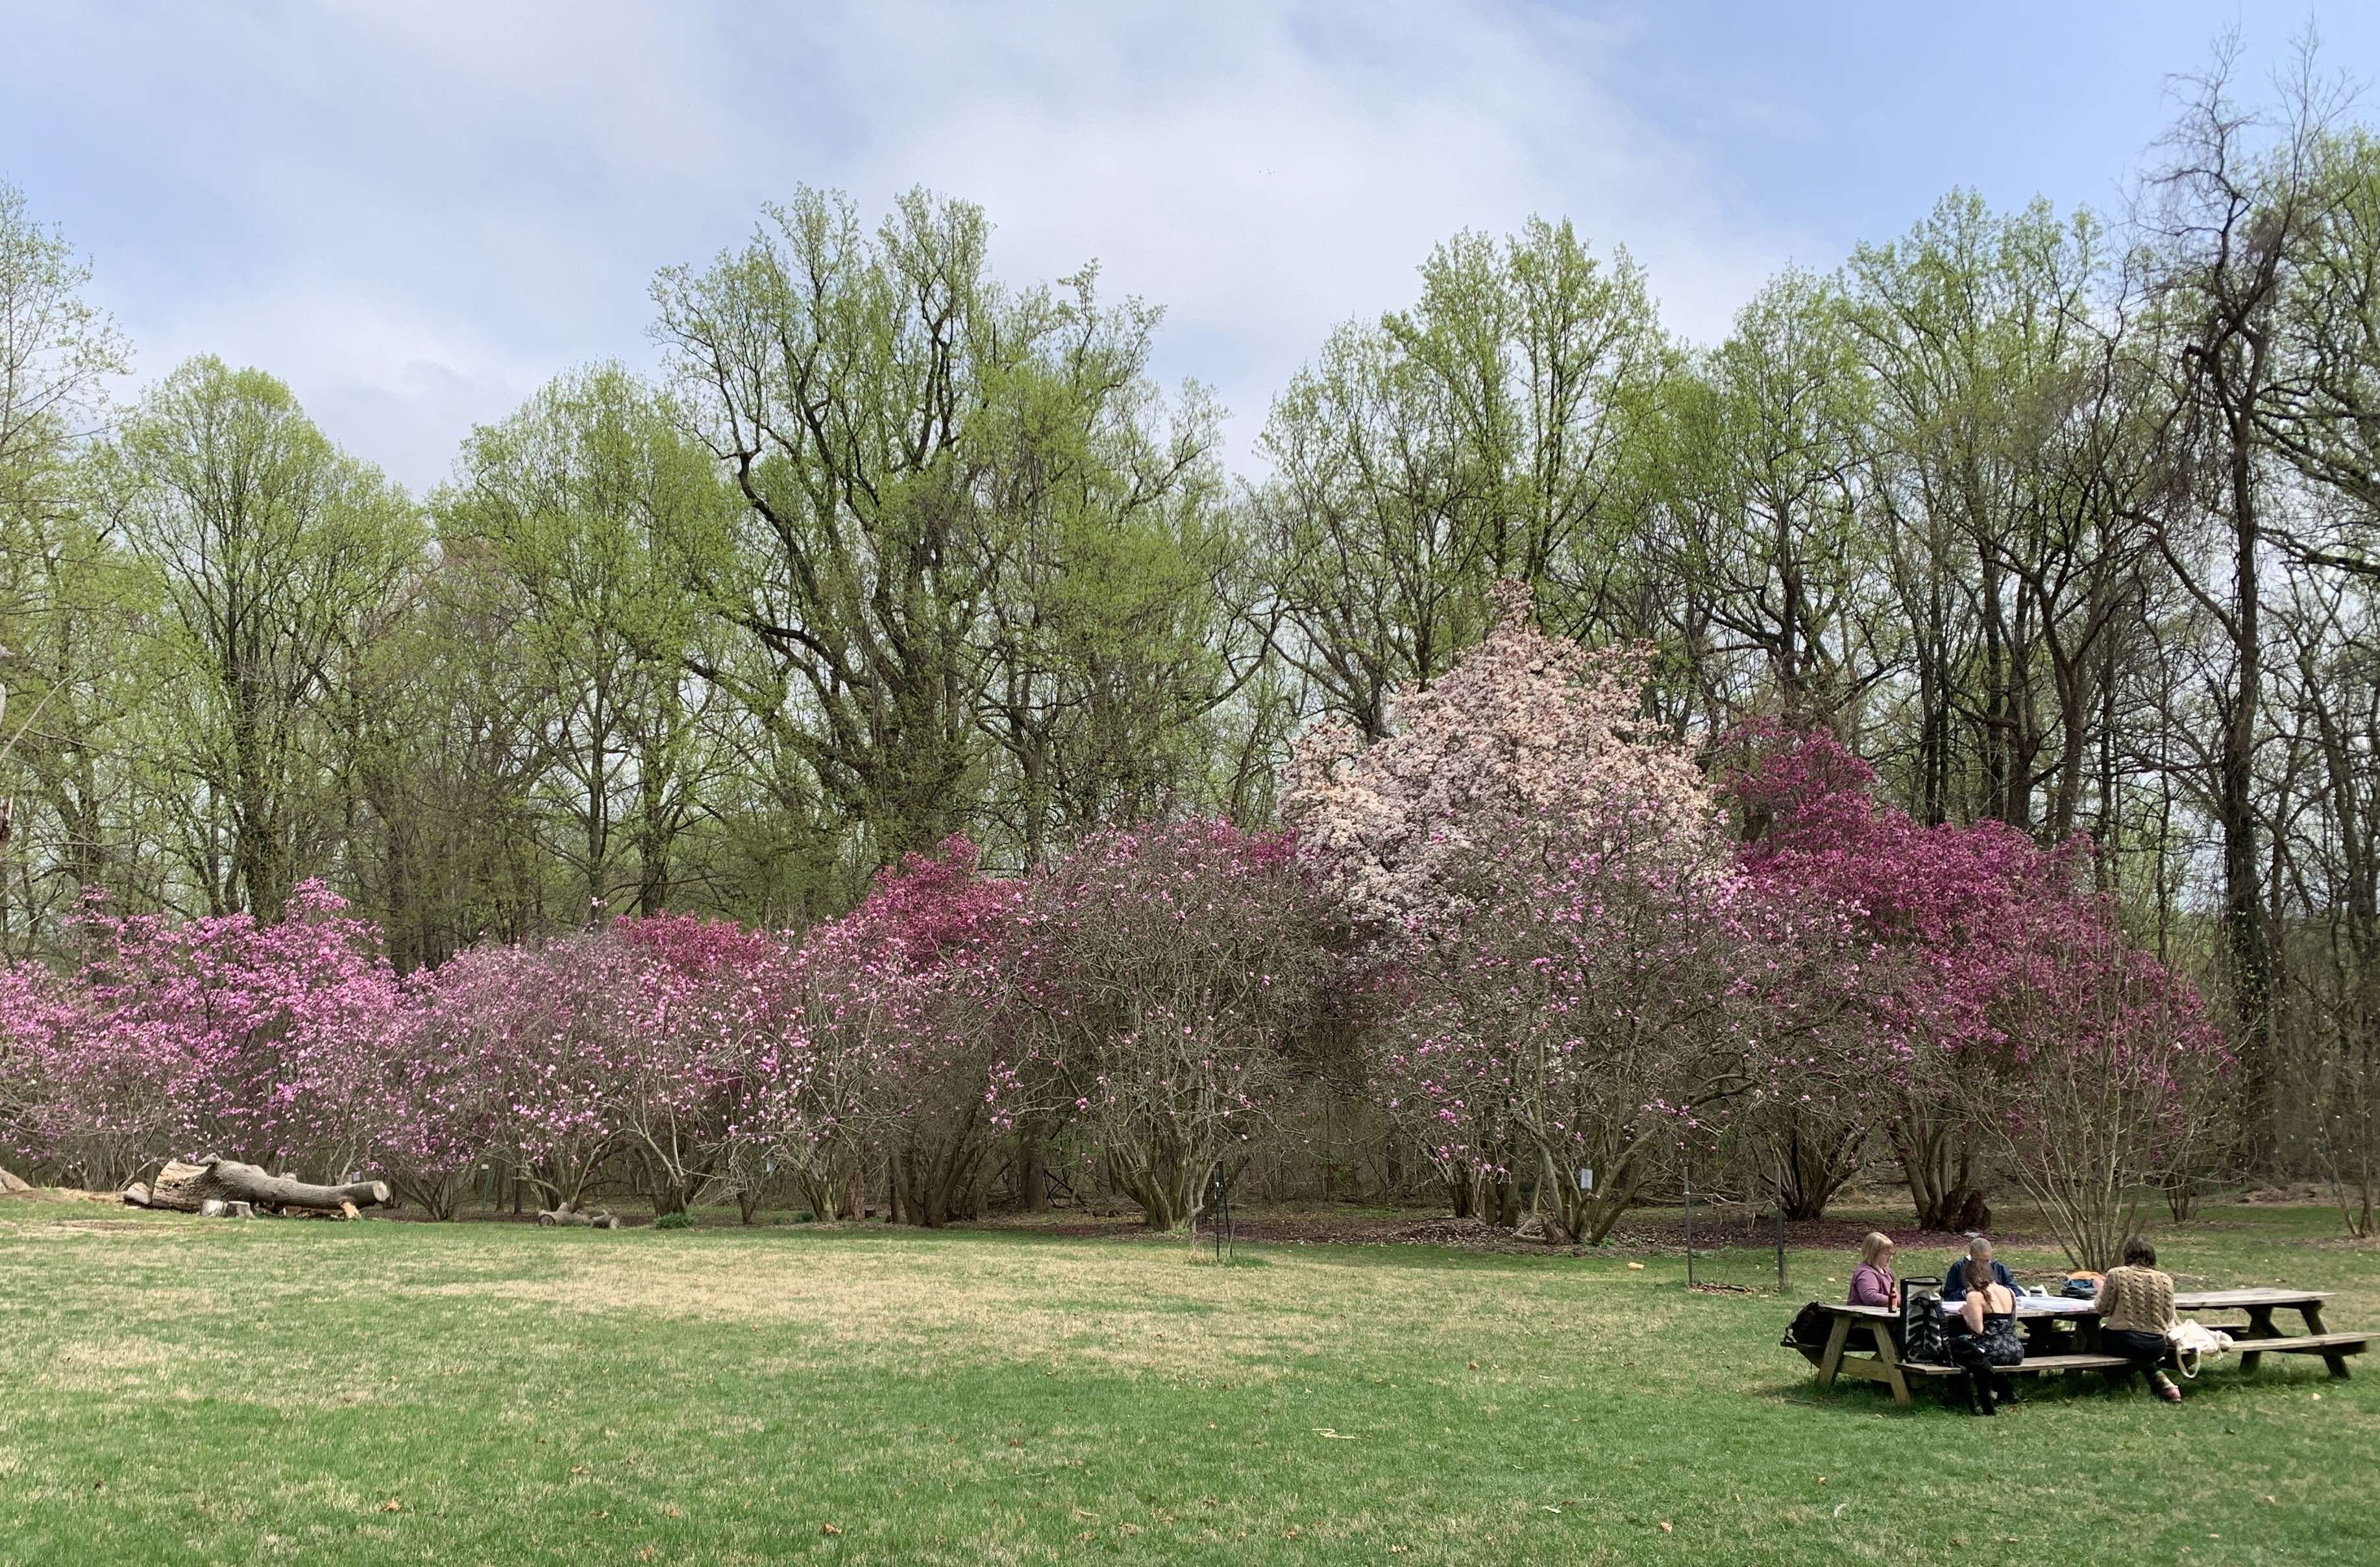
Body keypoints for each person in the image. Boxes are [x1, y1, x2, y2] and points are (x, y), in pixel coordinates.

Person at [2094, 1236, 2183, 1403]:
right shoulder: (2166, 1280)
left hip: (2124, 1341)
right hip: (2157, 1345)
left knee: (2096, 1338)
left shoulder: (2116, 1274)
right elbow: (2169, 1317)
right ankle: (2163, 1383)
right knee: (2140, 1349)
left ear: (2127, 1255)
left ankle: (2118, 1385)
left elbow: (2103, 1309)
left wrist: (2101, 1290)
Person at [1944, 1261, 2024, 1415]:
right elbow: (2012, 1323)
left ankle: (1957, 1394)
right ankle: (2005, 1389)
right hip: (2014, 1350)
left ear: (1969, 1278)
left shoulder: (1975, 1295)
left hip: (1990, 1350)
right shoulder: (2009, 1292)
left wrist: (1966, 1314)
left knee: (1951, 1346)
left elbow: (1978, 1330)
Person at [1941, 1235, 2017, 1301]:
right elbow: (1948, 1296)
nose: (1982, 1265)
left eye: (1987, 1261)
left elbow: (2017, 1292)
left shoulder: (1999, 1267)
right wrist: (1966, 1292)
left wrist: (1998, 1290)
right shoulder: (1959, 1267)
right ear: (1971, 1256)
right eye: (1978, 1261)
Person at [1848, 1232, 1898, 1308]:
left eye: (1891, 1255)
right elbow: (1870, 1297)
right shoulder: (1867, 1273)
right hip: (1865, 1318)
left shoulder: (1888, 1272)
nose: (1891, 1258)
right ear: (1874, 1254)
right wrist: (1896, 1301)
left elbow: (1896, 1295)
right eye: (1887, 1254)